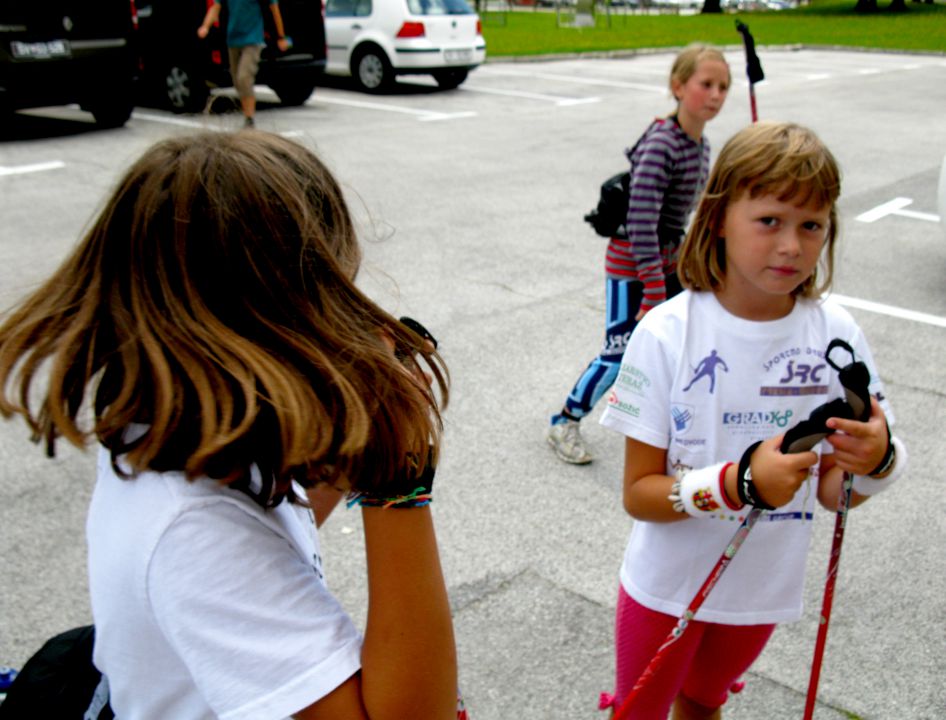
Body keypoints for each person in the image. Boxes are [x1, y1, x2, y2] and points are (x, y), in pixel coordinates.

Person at [0, 131, 460, 720]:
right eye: (335, 285)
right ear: (283, 315)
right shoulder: (195, 532)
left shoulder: (163, 414)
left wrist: (349, 444)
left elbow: (277, 524)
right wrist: (399, 483)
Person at [597, 121, 907, 719]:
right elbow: (639, 493)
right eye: (769, 221)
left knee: (705, 702)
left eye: (811, 225)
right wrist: (739, 484)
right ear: (717, 217)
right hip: (666, 587)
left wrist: (879, 460)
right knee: (638, 713)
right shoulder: (665, 332)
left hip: (762, 590)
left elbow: (837, 491)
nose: (791, 246)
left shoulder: (837, 334)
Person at [547, 44, 731, 465]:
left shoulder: (700, 146)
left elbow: (698, 208)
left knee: (677, 345)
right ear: (678, 87)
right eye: (707, 84)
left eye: (724, 86)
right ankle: (564, 421)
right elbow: (642, 219)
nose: (717, 95)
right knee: (619, 353)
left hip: (669, 260)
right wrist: (651, 288)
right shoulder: (662, 144)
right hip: (633, 263)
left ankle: (664, 425)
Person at [198, 0, 291, 127]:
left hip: (253, 40)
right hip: (233, 41)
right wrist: (205, 26)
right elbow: (216, 7)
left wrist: (281, 36)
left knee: (244, 77)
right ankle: (247, 114)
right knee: (237, 81)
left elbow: (274, 9)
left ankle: (249, 119)